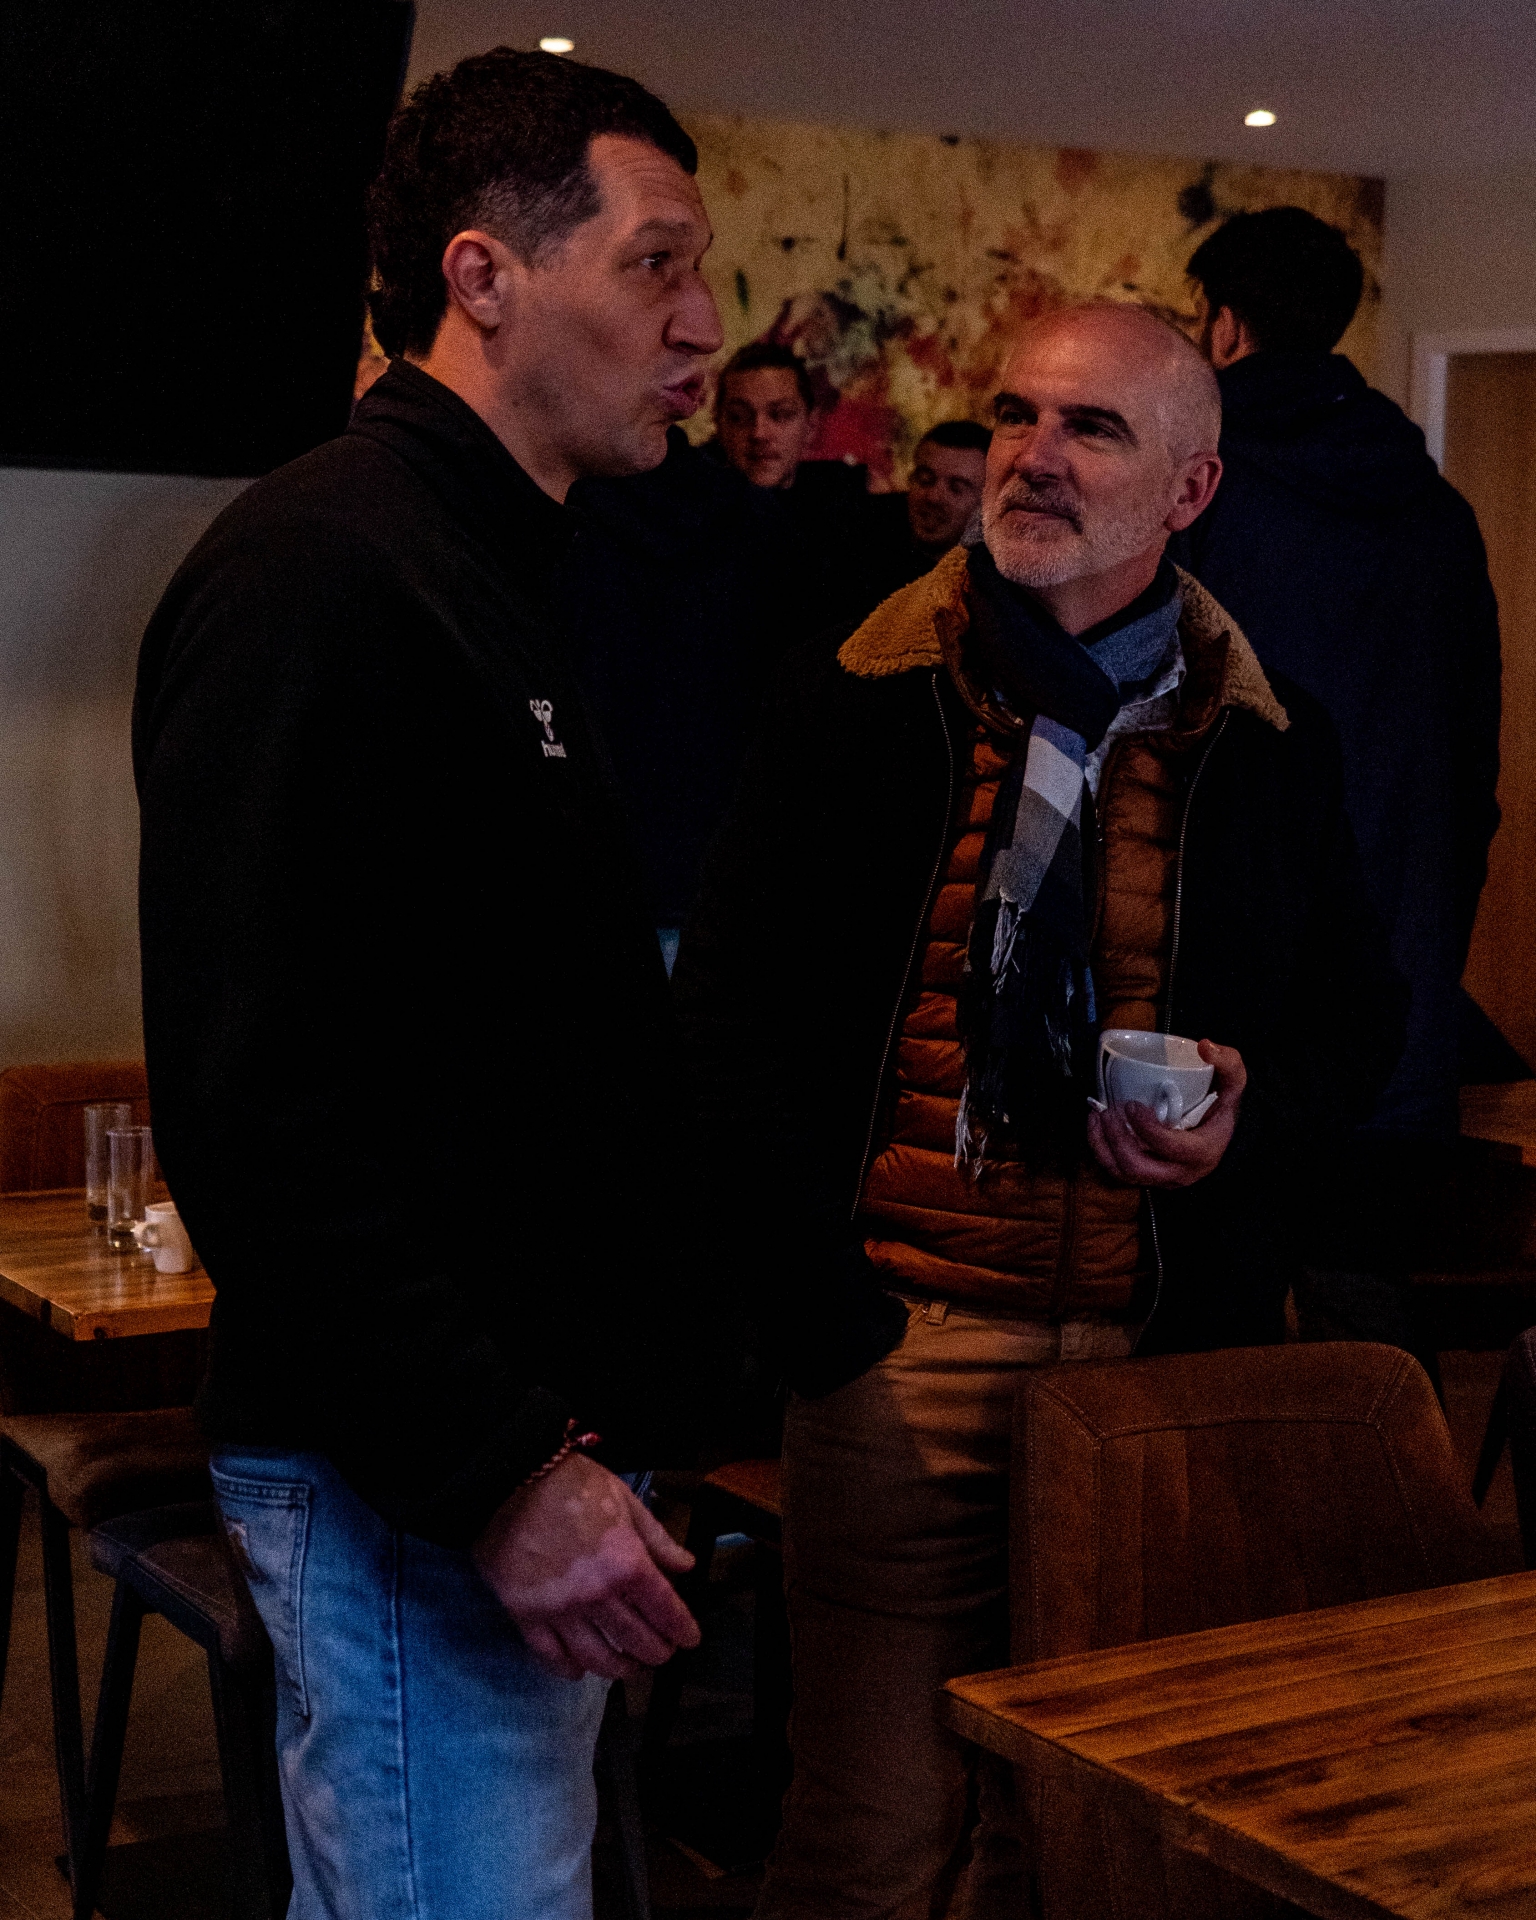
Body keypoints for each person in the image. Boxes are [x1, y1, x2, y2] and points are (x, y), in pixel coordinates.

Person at [675, 301, 1405, 1917]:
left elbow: (1360, 1027)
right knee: (866, 1843)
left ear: (1190, 490)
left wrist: (1249, 1109)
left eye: (1093, 428)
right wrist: (823, 1324)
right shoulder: (855, 696)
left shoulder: (1267, 741)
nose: (1035, 455)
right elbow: (723, 1025)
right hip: (904, 1353)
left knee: (1077, 1843)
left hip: (1162, 1368)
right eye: (1016, 414)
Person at [135, 49, 725, 1920]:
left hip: (513, 1451)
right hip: (419, 1486)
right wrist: (499, 1471)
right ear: (485, 277)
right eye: (654, 264)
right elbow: (257, 1106)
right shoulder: (325, 568)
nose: (702, 323)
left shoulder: (498, 560)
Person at [1173, 206, 1502, 1348]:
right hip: (1398, 966)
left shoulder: (1198, 493)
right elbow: (1473, 766)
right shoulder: (1437, 513)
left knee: (1210, 1329)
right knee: (1370, 1328)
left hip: (1221, 970)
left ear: (1225, 327)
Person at [710, 339, 883, 624]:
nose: (759, 433)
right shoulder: (694, 515)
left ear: (810, 426)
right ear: (718, 424)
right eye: (739, 417)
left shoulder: (841, 512)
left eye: (781, 415)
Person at [863, 418, 991, 599]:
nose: (933, 497)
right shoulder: (865, 545)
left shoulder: (988, 587)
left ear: (987, 502)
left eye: (956, 488)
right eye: (925, 480)